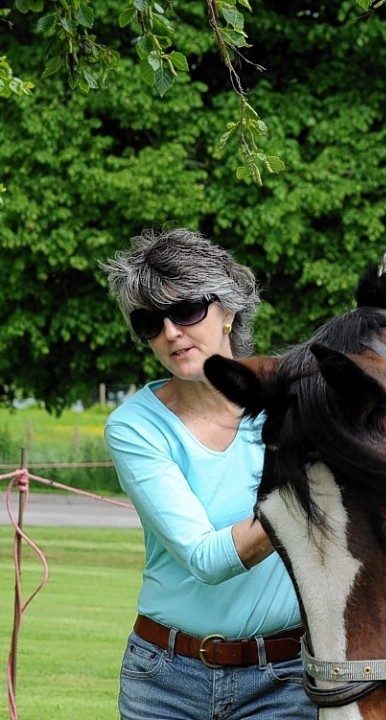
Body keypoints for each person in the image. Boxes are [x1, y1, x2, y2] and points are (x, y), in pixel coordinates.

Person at [100, 229, 313, 720]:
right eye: (150, 322)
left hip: (285, 679)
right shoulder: (135, 426)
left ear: (229, 312)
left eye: (188, 310)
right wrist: (307, 493)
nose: (171, 332)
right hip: (164, 681)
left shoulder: (297, 401)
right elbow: (206, 557)